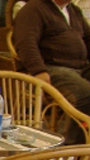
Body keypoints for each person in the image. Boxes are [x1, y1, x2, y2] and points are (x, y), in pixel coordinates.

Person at [14, 0, 90, 144]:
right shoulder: (33, 9)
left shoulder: (73, 10)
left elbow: (88, 39)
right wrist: (38, 70)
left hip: (79, 67)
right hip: (49, 67)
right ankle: (68, 147)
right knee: (85, 94)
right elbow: (25, 43)